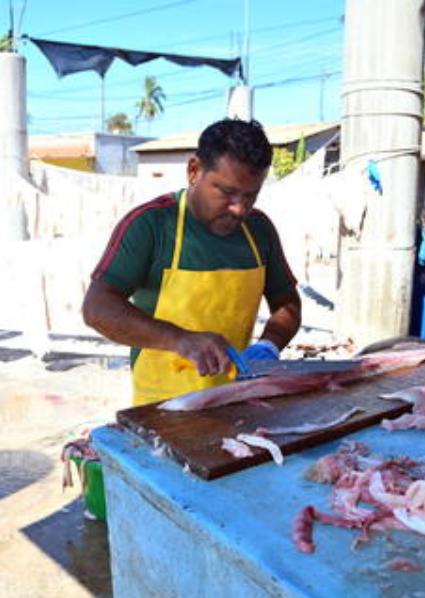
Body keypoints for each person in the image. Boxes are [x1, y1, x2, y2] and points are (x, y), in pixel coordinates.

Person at [83, 119, 302, 406]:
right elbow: (97, 308)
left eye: (250, 196)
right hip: (162, 405)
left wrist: (269, 345)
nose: (239, 209)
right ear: (194, 170)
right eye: (226, 192)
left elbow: (287, 302)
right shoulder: (151, 225)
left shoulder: (259, 229)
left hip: (238, 396)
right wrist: (180, 340)